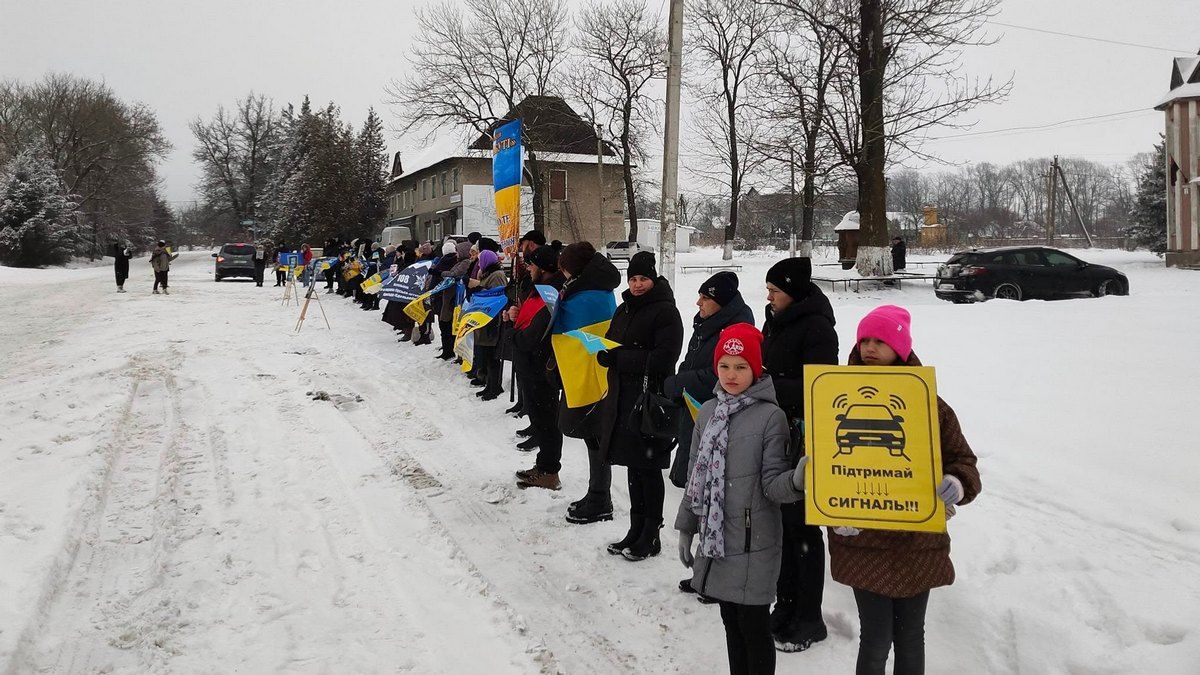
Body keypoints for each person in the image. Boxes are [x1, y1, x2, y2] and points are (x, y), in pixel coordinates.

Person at [835, 305, 982, 674]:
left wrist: (957, 483)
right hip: (862, 542)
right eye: (864, 339)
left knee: (911, 636)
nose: (869, 348)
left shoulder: (928, 404)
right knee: (875, 638)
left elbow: (963, 461)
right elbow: (824, 462)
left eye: (880, 341)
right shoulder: (833, 395)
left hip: (916, 543)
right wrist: (830, 509)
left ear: (899, 349)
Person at [676, 323, 806, 675]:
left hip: (753, 542)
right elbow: (695, 478)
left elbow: (772, 485)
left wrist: (796, 480)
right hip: (716, 540)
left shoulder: (770, 417)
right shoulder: (708, 412)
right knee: (730, 621)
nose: (731, 375)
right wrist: (687, 527)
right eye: (725, 366)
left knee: (753, 627)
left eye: (741, 366)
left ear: (756, 369)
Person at [761, 256, 839, 653]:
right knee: (782, 526)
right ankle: (786, 602)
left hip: (806, 440)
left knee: (803, 529)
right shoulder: (774, 320)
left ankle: (810, 616)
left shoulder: (817, 327)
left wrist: (768, 386)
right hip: (778, 433)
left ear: (792, 291)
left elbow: (820, 386)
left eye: (775, 291)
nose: (769, 297)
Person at [595, 251, 684, 559]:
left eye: (643, 279)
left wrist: (620, 358)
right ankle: (635, 529)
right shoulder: (624, 309)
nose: (637, 285)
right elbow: (611, 341)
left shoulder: (665, 312)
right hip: (624, 400)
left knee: (648, 469)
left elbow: (664, 358)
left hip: (650, 403)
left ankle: (651, 533)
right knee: (634, 468)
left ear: (653, 278)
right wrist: (603, 352)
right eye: (633, 279)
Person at [555, 242, 622, 525]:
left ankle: (600, 498)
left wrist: (555, 307)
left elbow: (560, 325)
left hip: (594, 374)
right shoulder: (595, 288)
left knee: (595, 438)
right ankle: (597, 493)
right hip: (594, 371)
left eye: (565, 268)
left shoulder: (586, 296)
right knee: (594, 438)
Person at [512, 243, 566, 490]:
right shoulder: (541, 289)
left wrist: (514, 336)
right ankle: (544, 466)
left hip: (540, 367)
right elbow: (528, 321)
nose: (529, 268)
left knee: (547, 421)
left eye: (532, 265)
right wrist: (514, 317)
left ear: (543, 268)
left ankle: (548, 471)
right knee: (542, 419)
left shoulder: (551, 294)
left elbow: (535, 334)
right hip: (532, 365)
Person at [471, 249, 508, 401]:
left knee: (492, 357)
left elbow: (497, 296)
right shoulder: (487, 274)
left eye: (481, 261)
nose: (479, 264)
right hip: (484, 320)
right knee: (487, 355)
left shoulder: (497, 275)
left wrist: (479, 287)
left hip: (492, 321)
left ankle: (495, 387)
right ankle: (489, 384)